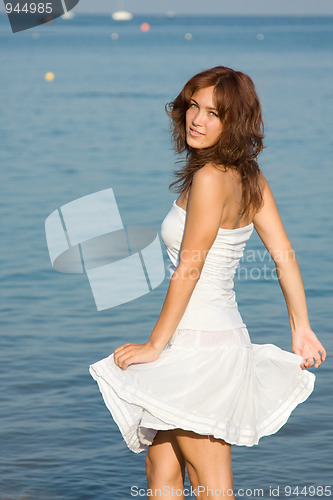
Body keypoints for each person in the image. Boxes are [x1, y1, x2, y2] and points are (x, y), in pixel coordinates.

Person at [89, 66, 326, 500]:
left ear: (233, 121)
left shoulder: (211, 178)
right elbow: (285, 257)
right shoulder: (249, 177)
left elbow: (190, 267)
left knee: (210, 484)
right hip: (207, 336)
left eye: (213, 113)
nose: (197, 119)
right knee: (160, 467)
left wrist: (154, 346)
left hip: (201, 346)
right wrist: (301, 325)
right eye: (193, 106)